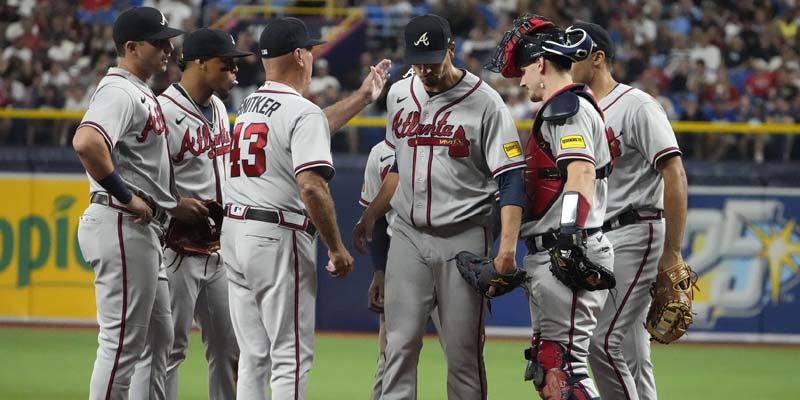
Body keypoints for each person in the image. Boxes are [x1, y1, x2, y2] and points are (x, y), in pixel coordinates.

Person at [353, 14, 526, 400]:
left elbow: (512, 178)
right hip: (408, 237)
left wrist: (508, 248)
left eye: (432, 59)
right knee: (397, 347)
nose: (425, 69)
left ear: (452, 50)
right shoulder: (400, 94)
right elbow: (400, 164)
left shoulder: (486, 103)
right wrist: (371, 214)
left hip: (463, 239)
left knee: (463, 355)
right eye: (417, 61)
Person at [221, 17, 389, 400]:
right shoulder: (301, 112)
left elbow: (309, 125)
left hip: (235, 234)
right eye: (310, 50)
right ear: (299, 55)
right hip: (275, 237)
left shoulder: (250, 103)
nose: (312, 57)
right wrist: (335, 247)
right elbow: (312, 187)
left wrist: (362, 98)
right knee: (291, 356)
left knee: (253, 356)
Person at [72, 6, 207, 400]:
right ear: (132, 47)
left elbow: (140, 164)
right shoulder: (118, 89)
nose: (169, 48)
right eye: (159, 42)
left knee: (159, 338)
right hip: (120, 221)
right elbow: (86, 142)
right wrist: (127, 194)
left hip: (142, 226)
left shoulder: (140, 90)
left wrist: (172, 204)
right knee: (122, 345)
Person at [486, 15, 614, 399]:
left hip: (568, 248)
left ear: (541, 63)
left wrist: (570, 234)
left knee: (564, 368)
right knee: (551, 367)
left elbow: (580, 174)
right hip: (557, 249)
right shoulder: (566, 106)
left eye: (524, 69)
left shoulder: (567, 108)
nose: (521, 80)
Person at [570, 22, 688, 400]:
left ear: (598, 58)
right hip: (600, 236)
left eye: (573, 56)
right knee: (634, 354)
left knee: (601, 343)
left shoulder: (637, 105)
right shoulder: (578, 110)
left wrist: (672, 251)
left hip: (637, 228)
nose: (564, 63)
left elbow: (675, 172)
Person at [155, 28, 252, 400]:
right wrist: (172, 203)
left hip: (218, 250)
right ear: (200, 62)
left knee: (231, 350)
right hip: (174, 250)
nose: (235, 71)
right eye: (226, 64)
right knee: (168, 351)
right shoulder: (162, 112)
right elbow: (133, 177)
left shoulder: (218, 109)